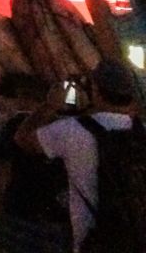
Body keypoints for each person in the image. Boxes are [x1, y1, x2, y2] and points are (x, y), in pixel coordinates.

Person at [16, 57, 144, 252]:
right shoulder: (141, 130)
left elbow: (22, 138)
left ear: (96, 90)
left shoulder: (73, 131)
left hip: (94, 241)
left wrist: (50, 105)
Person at [0, 73, 69, 252]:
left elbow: (5, 168)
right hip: (56, 207)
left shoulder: (15, 126)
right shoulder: (66, 125)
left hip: (22, 207)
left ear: (19, 97)